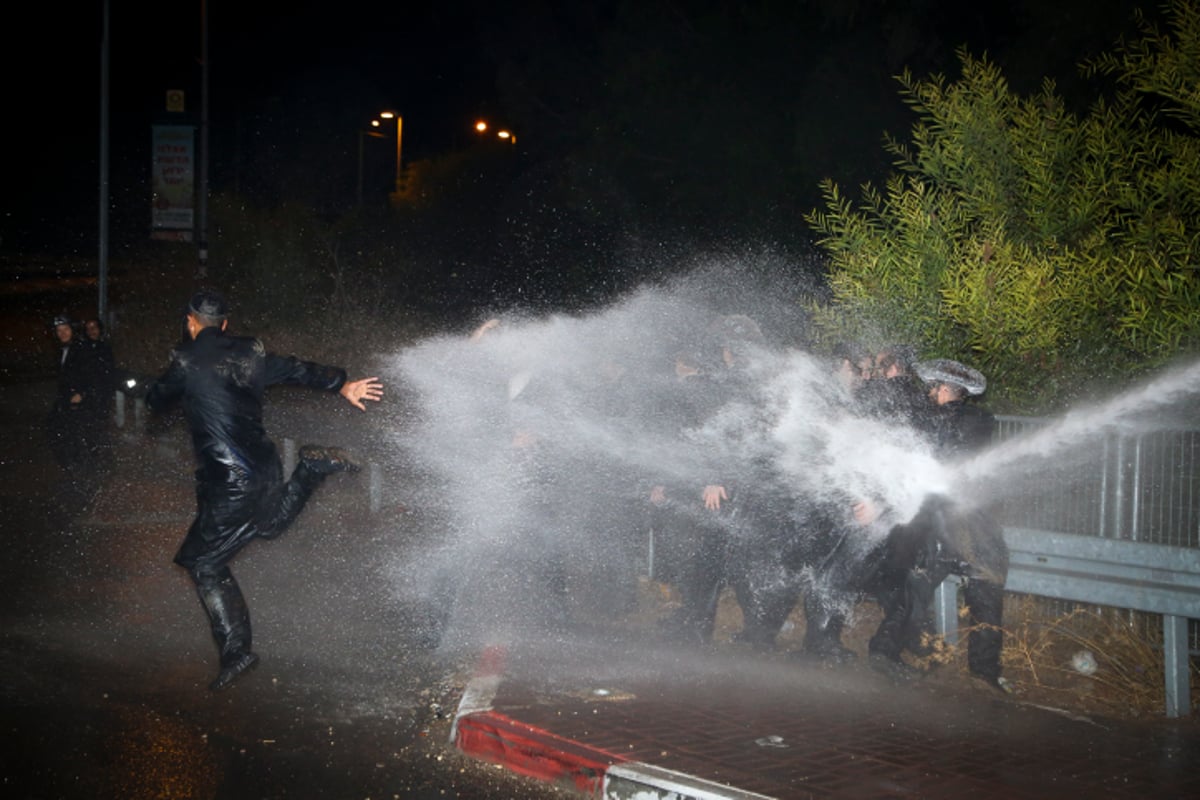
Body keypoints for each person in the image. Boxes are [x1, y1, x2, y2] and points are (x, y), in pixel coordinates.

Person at [144, 289, 384, 691]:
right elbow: (295, 369)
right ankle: (309, 468)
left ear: (189, 322)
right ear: (224, 324)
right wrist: (341, 384)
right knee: (268, 525)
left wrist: (163, 386)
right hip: (265, 467)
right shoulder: (251, 355)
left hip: (230, 480)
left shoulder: (186, 361)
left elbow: (156, 399)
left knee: (204, 563)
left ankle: (237, 652)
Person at [866, 358, 1011, 692]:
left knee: (981, 593)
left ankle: (984, 673)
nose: (928, 392)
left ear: (947, 389)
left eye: (933, 387)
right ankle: (886, 652)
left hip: (967, 527)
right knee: (919, 590)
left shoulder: (976, 420)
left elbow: (951, 457)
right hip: (941, 526)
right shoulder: (932, 418)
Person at [46, 314, 114, 494]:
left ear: (72, 330)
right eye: (59, 331)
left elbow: (92, 374)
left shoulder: (81, 348)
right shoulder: (62, 350)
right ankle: (78, 472)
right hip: (67, 402)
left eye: (65, 329)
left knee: (83, 438)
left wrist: (82, 393)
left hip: (83, 402)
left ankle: (88, 478)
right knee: (63, 435)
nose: (62, 333)